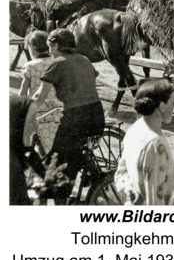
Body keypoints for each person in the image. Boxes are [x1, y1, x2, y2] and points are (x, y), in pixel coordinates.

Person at [32, 29, 105, 204]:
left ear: (56, 45)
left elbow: (39, 96)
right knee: (71, 154)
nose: (49, 50)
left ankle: (60, 203)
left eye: (50, 46)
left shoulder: (57, 63)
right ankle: (89, 168)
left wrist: (20, 107)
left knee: (57, 163)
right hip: (96, 114)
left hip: (76, 117)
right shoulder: (85, 60)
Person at [115, 78, 174, 205]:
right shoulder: (156, 144)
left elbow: (120, 174)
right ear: (161, 106)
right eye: (173, 103)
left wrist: (133, 193)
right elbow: (155, 201)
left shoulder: (134, 129)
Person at [19, 30, 62, 154]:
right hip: (60, 111)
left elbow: (22, 93)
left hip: (41, 114)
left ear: (33, 47)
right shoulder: (58, 63)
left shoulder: (30, 66)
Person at [9, 95, 44, 205]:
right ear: (18, 122)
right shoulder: (11, 163)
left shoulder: (17, 149)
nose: (35, 127)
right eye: (31, 120)